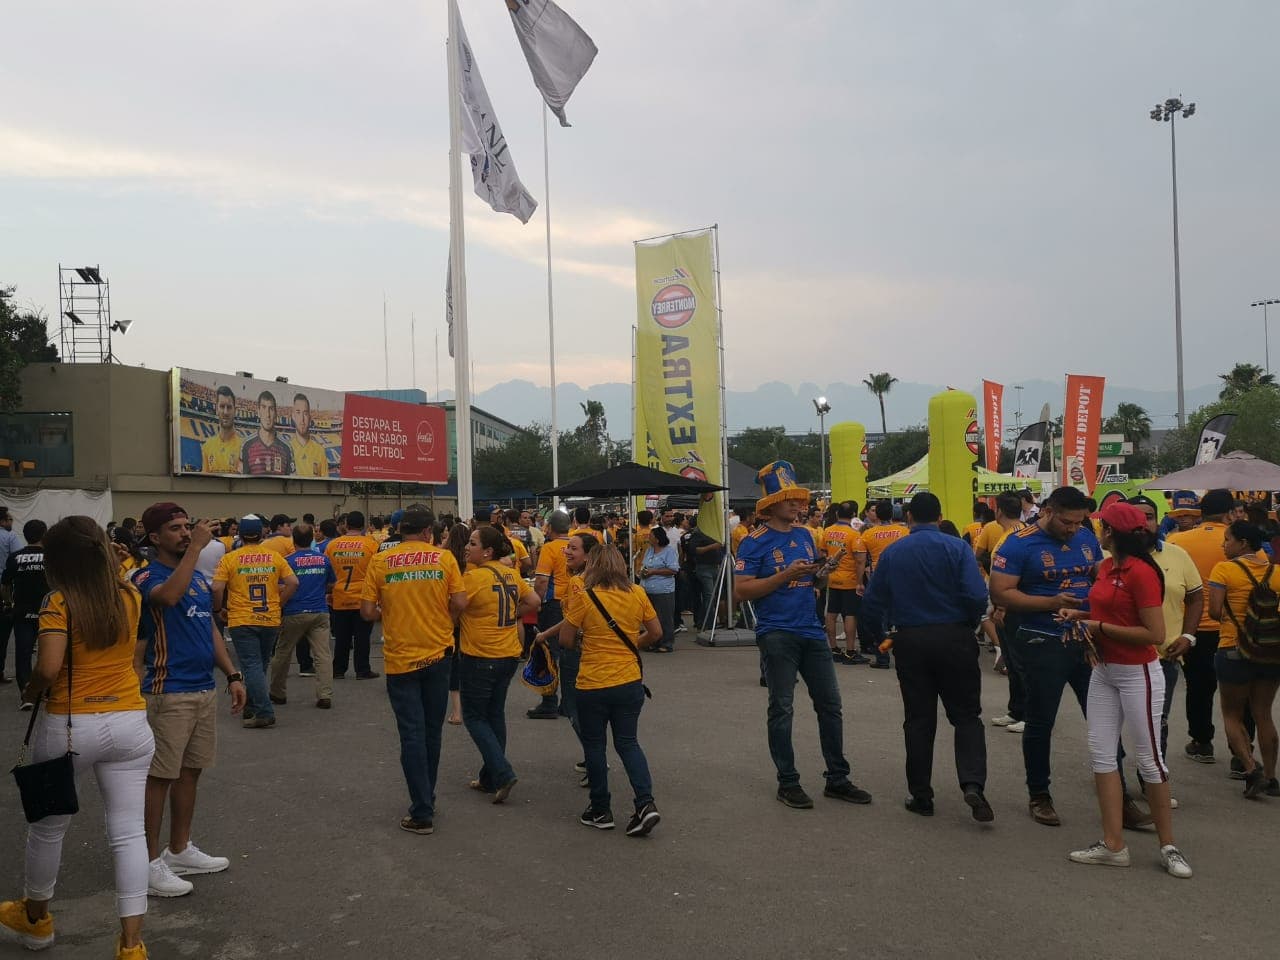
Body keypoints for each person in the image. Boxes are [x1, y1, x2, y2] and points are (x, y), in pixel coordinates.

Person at [1, 517, 153, 959]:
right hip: (129, 720)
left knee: (48, 829)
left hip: (71, 723)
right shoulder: (129, 595)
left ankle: (36, 920)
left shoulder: (59, 602)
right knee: (128, 834)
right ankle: (131, 945)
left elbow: (47, 668)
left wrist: (30, 692)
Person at [1057, 501, 1191, 879]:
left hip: (1139, 673)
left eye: (1102, 526)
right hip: (1104, 671)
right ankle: (1113, 844)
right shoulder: (1107, 567)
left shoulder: (1141, 573)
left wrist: (1096, 628)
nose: (1096, 529)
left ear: (1111, 533)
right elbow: (1106, 614)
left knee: (1149, 760)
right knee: (1102, 756)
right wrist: (1080, 616)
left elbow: (1155, 635)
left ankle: (1169, 845)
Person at [734, 460, 873, 810]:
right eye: (790, 500)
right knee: (782, 707)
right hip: (777, 632)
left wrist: (822, 572)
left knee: (831, 706)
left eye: (799, 500)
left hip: (811, 631)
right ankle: (788, 781)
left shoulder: (807, 536)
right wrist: (784, 575)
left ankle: (837, 778)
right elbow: (740, 592)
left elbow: (812, 582)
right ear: (770, 504)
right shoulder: (754, 542)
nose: (798, 505)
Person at [131, 503, 246, 899]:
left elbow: (209, 629)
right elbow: (165, 598)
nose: (184, 533)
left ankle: (178, 849)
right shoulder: (148, 574)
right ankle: (145, 863)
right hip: (169, 691)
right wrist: (196, 548)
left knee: (191, 771)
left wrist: (231, 673)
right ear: (154, 538)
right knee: (159, 777)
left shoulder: (195, 577)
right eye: (174, 529)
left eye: (186, 527)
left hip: (202, 688)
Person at [860, 492, 993, 821]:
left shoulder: (893, 553)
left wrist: (879, 640)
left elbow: (873, 602)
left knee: (918, 720)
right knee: (966, 717)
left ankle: (921, 795)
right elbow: (977, 594)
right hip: (955, 636)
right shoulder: (957, 547)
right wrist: (968, 621)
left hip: (910, 640)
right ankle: (973, 783)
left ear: (908, 518)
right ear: (939, 516)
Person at [989, 485, 1100, 827]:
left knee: (1102, 719)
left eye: (1079, 522)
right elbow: (1001, 593)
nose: (1072, 529)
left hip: (1086, 640)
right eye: (1067, 522)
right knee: (1041, 721)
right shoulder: (1018, 543)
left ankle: (1119, 790)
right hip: (1041, 640)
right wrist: (1051, 603)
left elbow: (1097, 577)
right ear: (1048, 511)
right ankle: (1039, 795)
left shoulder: (1086, 538)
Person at [360, 507, 467, 835]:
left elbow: (366, 612)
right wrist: (444, 619)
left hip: (400, 659)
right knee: (432, 731)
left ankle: (421, 808)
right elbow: (461, 601)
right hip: (438, 654)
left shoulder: (380, 560)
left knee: (412, 733)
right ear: (427, 533)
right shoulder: (443, 559)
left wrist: (389, 611)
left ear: (401, 530)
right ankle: (427, 797)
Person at [559, 546, 663, 836]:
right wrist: (629, 646)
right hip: (629, 681)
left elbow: (566, 639)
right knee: (628, 743)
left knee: (594, 746)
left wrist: (587, 643)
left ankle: (600, 809)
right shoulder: (638, 594)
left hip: (592, 682)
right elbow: (656, 633)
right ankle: (645, 802)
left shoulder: (585, 597)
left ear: (593, 566)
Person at [458, 525, 540, 802]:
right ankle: (490, 776)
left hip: (481, 655)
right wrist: (509, 615)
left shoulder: (473, 578)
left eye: (472, 543)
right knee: (494, 715)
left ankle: (502, 773)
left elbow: (452, 610)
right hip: (508, 654)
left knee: (474, 717)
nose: (467, 547)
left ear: (487, 551)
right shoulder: (509, 573)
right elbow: (534, 600)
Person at [1128, 495, 1202, 796]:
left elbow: (1196, 596)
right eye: (1136, 516)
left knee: (1157, 723)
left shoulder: (1178, 554)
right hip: (1119, 657)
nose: (1143, 522)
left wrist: (1189, 635)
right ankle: (1114, 781)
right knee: (1112, 725)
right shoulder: (1110, 558)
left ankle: (1151, 781)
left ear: (1157, 521)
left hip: (1163, 658)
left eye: (1149, 516)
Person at [1207, 520, 1280, 798]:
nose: (1224, 544)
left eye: (1228, 539)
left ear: (1243, 544)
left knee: (1232, 714)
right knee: (1263, 714)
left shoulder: (1224, 569)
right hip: (1270, 652)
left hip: (1233, 648)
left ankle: (1251, 769)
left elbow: (1214, 610)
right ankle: (1272, 777)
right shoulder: (1277, 572)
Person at [211, 515, 298, 728]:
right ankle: (250, 705)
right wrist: (278, 602)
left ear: (239, 534)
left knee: (251, 665)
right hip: (269, 617)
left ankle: (264, 710)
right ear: (262, 534)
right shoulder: (274, 557)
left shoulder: (230, 558)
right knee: (260, 664)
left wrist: (218, 608)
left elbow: (216, 587)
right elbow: (293, 582)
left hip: (242, 619)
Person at [1166, 489, 1233, 764]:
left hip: (1193, 627)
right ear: (1230, 512)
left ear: (1199, 511)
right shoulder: (1239, 541)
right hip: (1232, 627)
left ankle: (1202, 741)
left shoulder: (1177, 541)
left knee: (1198, 687)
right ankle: (1243, 751)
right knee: (1240, 693)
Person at [268, 524, 336, 709]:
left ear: (294, 540)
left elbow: (280, 586)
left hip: (294, 612)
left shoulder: (287, 561)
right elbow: (331, 584)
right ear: (312, 538)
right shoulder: (324, 559)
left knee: (282, 653)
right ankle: (325, 694)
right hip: (320, 611)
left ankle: (277, 692)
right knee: (323, 654)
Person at [324, 511, 381, 680]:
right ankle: (362, 670)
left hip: (340, 596)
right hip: (364, 598)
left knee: (342, 637)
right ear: (363, 526)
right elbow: (378, 570)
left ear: (346, 525)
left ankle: (338, 669)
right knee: (362, 637)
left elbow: (327, 570)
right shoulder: (371, 545)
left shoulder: (332, 545)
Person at [529, 510, 572, 719]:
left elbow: (542, 580)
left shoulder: (550, 548)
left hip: (553, 605)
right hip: (574, 602)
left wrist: (537, 602)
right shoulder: (577, 545)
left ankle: (549, 701)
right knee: (569, 653)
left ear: (550, 528)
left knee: (548, 652)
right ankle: (569, 702)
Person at [2, 519, 47, 701]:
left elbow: (4, 585)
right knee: (47, 652)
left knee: (23, 652)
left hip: (22, 611)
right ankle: (46, 691)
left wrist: (8, 603)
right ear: (44, 535)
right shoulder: (52, 557)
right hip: (48, 612)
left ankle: (26, 692)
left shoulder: (15, 557)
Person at [821, 501, 868, 665]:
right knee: (850, 615)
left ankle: (833, 648)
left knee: (832, 614)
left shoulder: (827, 531)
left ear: (836, 514)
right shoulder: (854, 534)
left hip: (833, 579)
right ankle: (850, 651)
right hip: (850, 581)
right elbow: (860, 561)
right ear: (854, 515)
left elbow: (823, 553)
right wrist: (860, 582)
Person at [638, 527, 679, 652]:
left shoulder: (669, 551)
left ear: (657, 538)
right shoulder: (649, 551)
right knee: (651, 618)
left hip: (663, 590)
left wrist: (654, 571)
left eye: (650, 536)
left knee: (664, 617)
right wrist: (643, 572)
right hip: (647, 589)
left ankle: (666, 643)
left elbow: (673, 569)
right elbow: (644, 565)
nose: (648, 538)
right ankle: (652, 641)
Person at [201, 385, 241, 473]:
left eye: (229, 407)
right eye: (222, 406)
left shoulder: (244, 447)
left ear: (235, 410)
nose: (225, 412)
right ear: (216, 409)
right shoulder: (207, 447)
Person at [290, 393, 328, 478]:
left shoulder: (320, 451)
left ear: (310, 418)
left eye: (305, 413)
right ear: (293, 416)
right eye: (298, 412)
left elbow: (325, 482)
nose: (302, 419)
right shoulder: (286, 449)